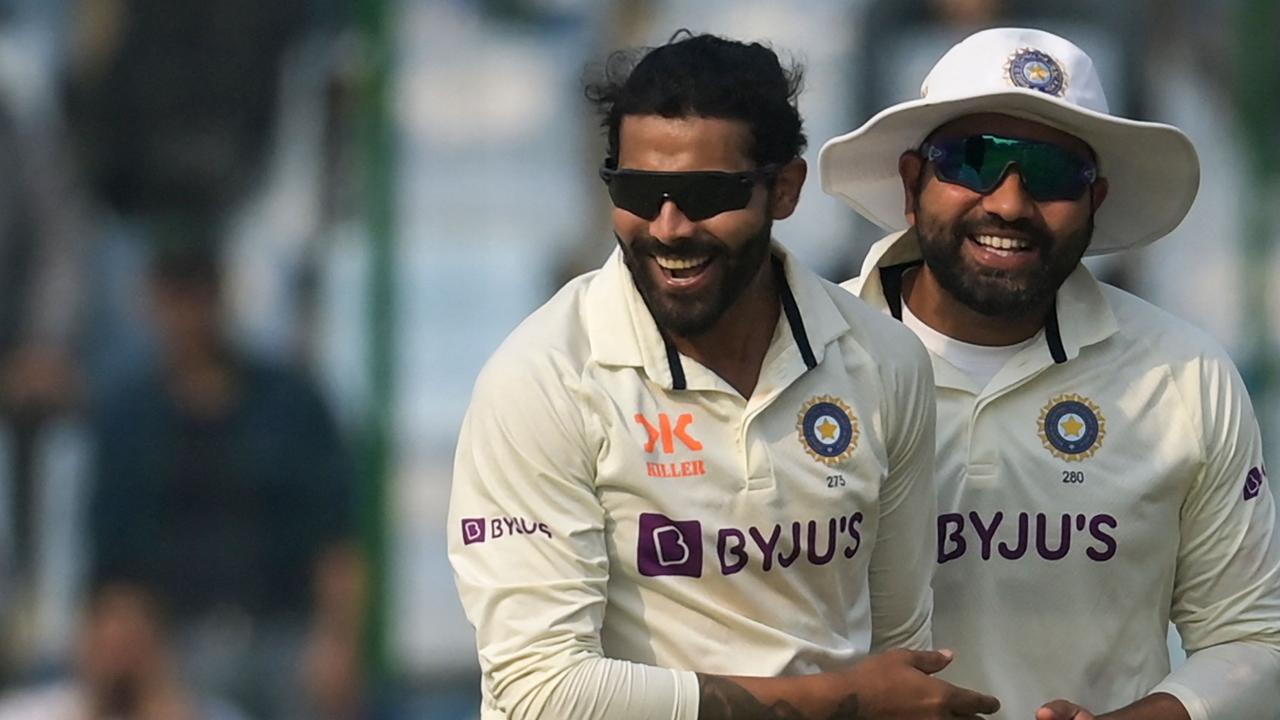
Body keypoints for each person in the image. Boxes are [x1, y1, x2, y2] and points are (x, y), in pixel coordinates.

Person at [448, 31, 1000, 720]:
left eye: (708, 194)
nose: (670, 227)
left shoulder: (883, 361)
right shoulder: (545, 378)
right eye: (640, 191)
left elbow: (893, 652)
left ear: (787, 189)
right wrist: (842, 701)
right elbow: (544, 694)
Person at [820, 27, 1280, 720]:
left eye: (1052, 174)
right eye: (974, 161)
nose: (1008, 203)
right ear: (912, 183)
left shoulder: (1183, 374)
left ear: (1095, 203)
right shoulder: (800, 361)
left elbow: (1255, 639)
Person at [88, 241, 364, 720]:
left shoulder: (290, 402)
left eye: (197, 295)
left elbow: (337, 537)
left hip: (288, 641)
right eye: (174, 297)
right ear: (151, 303)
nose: (186, 315)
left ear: (219, 297)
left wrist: (338, 642)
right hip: (176, 651)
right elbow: (115, 568)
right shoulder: (128, 416)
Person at [0, 580, 248, 720]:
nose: (118, 663)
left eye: (130, 646)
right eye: (107, 647)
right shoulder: (24, 713)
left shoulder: (215, 715)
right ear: (82, 645)